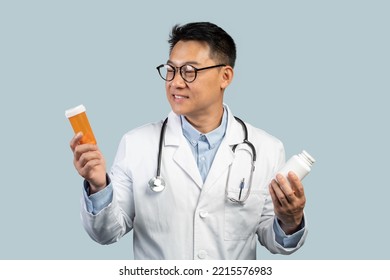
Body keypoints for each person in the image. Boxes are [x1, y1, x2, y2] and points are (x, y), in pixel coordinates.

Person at [70, 22, 308, 260]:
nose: (175, 82)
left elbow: (275, 239)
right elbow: (107, 233)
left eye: (189, 71)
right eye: (171, 70)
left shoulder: (266, 148)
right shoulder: (136, 144)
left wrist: (290, 220)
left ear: (225, 76)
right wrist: (99, 186)